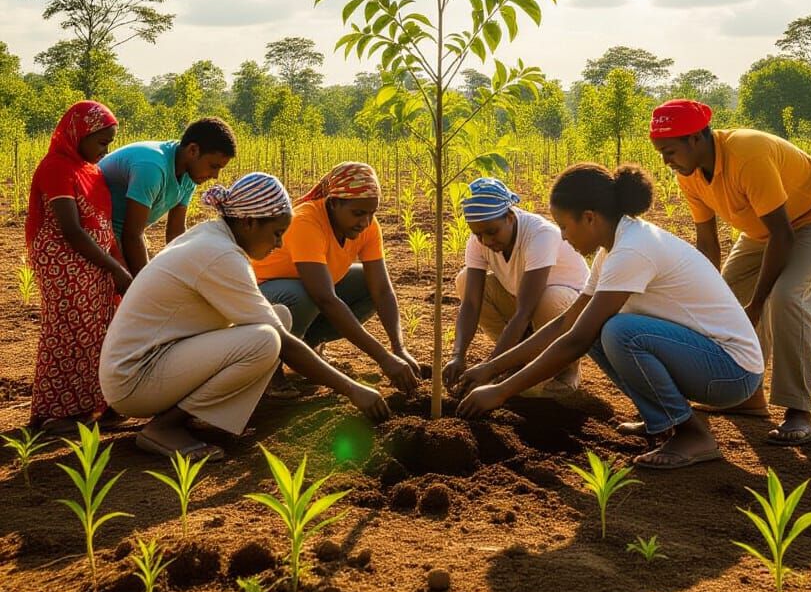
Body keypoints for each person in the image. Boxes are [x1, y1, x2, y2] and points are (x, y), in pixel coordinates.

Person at [457, 163, 765, 471]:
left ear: (589, 218)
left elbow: (576, 340)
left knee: (619, 331)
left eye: (564, 226)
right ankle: (662, 418)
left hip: (731, 370)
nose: (563, 237)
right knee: (598, 328)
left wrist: (501, 390)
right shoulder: (614, 249)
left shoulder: (632, 249)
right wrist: (490, 368)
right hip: (703, 358)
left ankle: (692, 434)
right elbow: (567, 323)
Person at [99, 172, 389, 461]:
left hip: (154, 360)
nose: (278, 245)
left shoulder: (213, 237)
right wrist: (352, 389)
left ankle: (197, 414)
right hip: (135, 378)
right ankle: (165, 427)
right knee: (265, 340)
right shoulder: (220, 255)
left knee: (279, 317)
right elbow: (284, 344)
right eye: (277, 234)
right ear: (249, 222)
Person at [648, 99, 811, 446]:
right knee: (726, 297)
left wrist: (757, 303)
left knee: (785, 298)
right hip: (762, 231)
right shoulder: (689, 175)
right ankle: (748, 397)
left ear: (696, 138)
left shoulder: (747, 153)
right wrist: (704, 298)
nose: (665, 160)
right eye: (660, 152)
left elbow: (784, 236)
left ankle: (799, 413)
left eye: (669, 150)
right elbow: (708, 244)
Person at [252, 162, 421, 396]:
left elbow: (381, 289)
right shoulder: (306, 221)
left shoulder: (368, 228)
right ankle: (271, 369)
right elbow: (324, 298)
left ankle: (306, 350)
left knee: (366, 284)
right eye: (358, 213)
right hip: (265, 297)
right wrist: (383, 358)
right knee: (303, 295)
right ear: (333, 203)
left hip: (309, 293)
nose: (365, 222)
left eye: (372, 213)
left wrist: (398, 348)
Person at [26, 101, 132, 434]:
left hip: (93, 259)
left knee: (97, 330)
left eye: (109, 144)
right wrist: (114, 268)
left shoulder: (92, 172)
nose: (105, 151)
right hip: (64, 261)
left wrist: (119, 264)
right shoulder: (57, 167)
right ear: (78, 134)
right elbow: (71, 230)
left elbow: (102, 225)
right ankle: (56, 412)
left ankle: (90, 404)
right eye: (101, 142)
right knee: (69, 332)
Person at [442, 177, 589, 395]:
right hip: (524, 303)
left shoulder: (540, 235)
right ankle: (516, 360)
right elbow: (471, 304)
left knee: (550, 299)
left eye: (492, 232)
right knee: (465, 280)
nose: (486, 241)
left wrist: (490, 368)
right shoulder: (479, 241)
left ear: (510, 217)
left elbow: (524, 312)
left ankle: (566, 369)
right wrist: (458, 355)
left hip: (572, 312)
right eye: (478, 234)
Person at [100, 116, 237, 275]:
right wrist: (145, 284)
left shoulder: (189, 173)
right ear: (193, 150)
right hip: (97, 234)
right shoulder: (152, 168)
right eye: (213, 166)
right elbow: (131, 235)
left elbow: (175, 232)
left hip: (121, 235)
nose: (215, 176)